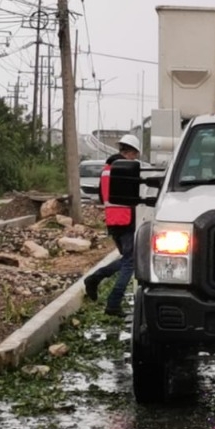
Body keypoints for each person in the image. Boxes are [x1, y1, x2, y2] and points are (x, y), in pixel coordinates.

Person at [84, 134, 141, 316]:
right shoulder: (126, 169)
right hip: (126, 219)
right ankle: (114, 302)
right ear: (130, 152)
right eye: (135, 155)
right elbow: (134, 195)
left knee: (128, 259)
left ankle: (95, 278)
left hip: (112, 220)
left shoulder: (107, 168)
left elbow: (102, 196)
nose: (135, 159)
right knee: (131, 262)